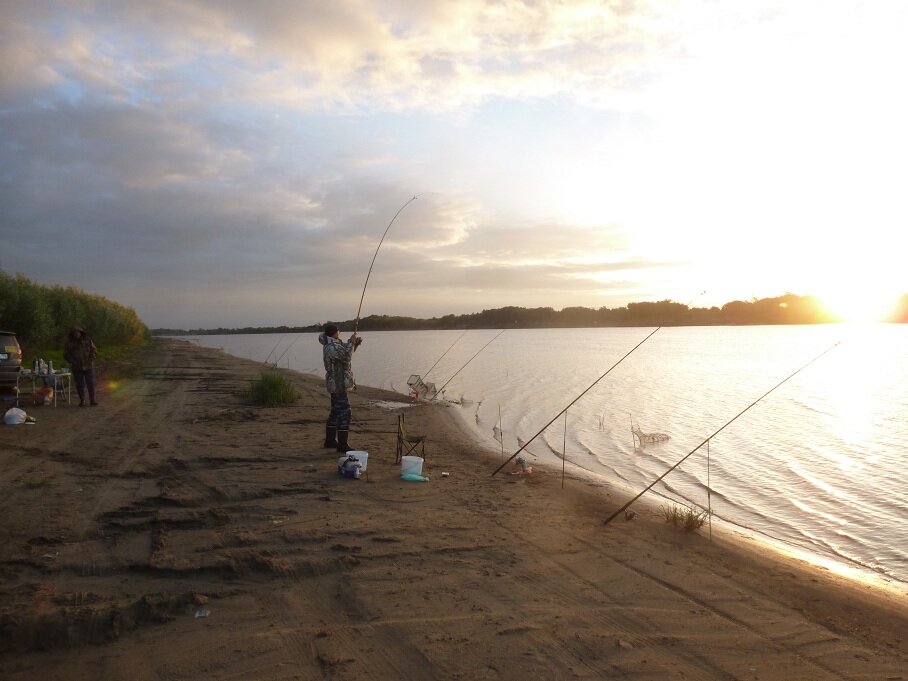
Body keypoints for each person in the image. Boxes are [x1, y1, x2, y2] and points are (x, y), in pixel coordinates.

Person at [317, 324, 362, 452]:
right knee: (345, 413)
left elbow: (346, 354)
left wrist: (355, 344)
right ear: (335, 333)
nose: (340, 333)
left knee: (336, 412)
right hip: (338, 384)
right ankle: (342, 445)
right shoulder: (332, 346)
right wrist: (351, 342)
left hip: (337, 383)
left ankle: (330, 441)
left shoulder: (333, 344)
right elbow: (346, 357)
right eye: (339, 331)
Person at [63, 327, 98, 406]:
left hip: (88, 366)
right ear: (72, 334)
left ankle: (92, 400)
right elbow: (66, 354)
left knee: (90, 383)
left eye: (78, 332)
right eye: (75, 333)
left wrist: (91, 358)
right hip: (77, 367)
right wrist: (72, 361)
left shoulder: (87, 340)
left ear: (81, 333)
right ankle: (82, 400)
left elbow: (94, 350)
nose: (76, 334)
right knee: (79, 384)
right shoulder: (69, 343)